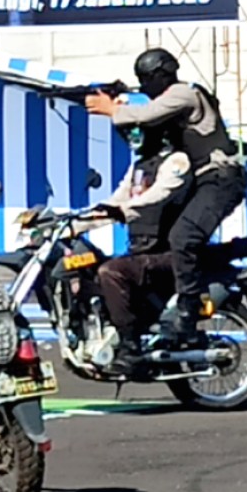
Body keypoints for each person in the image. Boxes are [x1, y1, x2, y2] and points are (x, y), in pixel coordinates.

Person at [84, 48, 246, 351]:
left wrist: (112, 108)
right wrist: (119, 109)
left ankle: (189, 306)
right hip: (200, 181)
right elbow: (143, 136)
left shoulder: (184, 94)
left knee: (184, 236)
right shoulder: (168, 112)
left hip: (220, 178)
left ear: (163, 74)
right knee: (167, 241)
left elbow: (146, 114)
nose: (144, 86)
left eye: (146, 79)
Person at [91, 127, 192, 371]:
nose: (132, 138)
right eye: (129, 134)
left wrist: (125, 209)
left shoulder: (177, 160)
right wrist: (73, 223)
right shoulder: (138, 166)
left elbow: (160, 193)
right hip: (141, 250)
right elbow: (116, 200)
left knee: (111, 272)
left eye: (138, 131)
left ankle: (130, 345)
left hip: (166, 253)